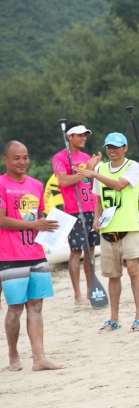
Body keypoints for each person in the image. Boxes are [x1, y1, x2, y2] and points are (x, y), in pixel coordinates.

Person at [0, 141, 65, 371]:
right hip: (11, 256)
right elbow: (2, 219)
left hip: (36, 254)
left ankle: (39, 358)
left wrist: (50, 226)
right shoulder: (1, 184)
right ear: (5, 159)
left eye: (25, 157)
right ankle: (13, 354)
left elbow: (39, 220)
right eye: (16, 157)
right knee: (15, 308)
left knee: (36, 307)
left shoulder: (37, 185)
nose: (22, 162)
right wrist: (34, 223)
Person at [76, 132, 139, 333]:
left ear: (125, 148)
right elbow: (99, 199)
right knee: (113, 276)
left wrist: (94, 173)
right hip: (108, 230)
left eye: (116, 146)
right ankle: (113, 319)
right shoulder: (102, 168)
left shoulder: (132, 167)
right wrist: (97, 218)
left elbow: (118, 185)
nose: (112, 150)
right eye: (108, 147)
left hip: (129, 227)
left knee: (133, 271)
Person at [51, 121, 101, 305]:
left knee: (91, 251)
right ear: (69, 136)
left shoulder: (87, 156)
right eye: (79, 135)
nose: (83, 138)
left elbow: (92, 180)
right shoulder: (60, 158)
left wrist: (93, 169)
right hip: (74, 210)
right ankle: (77, 294)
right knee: (76, 251)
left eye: (85, 135)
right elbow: (63, 181)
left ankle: (90, 290)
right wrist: (86, 170)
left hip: (91, 208)